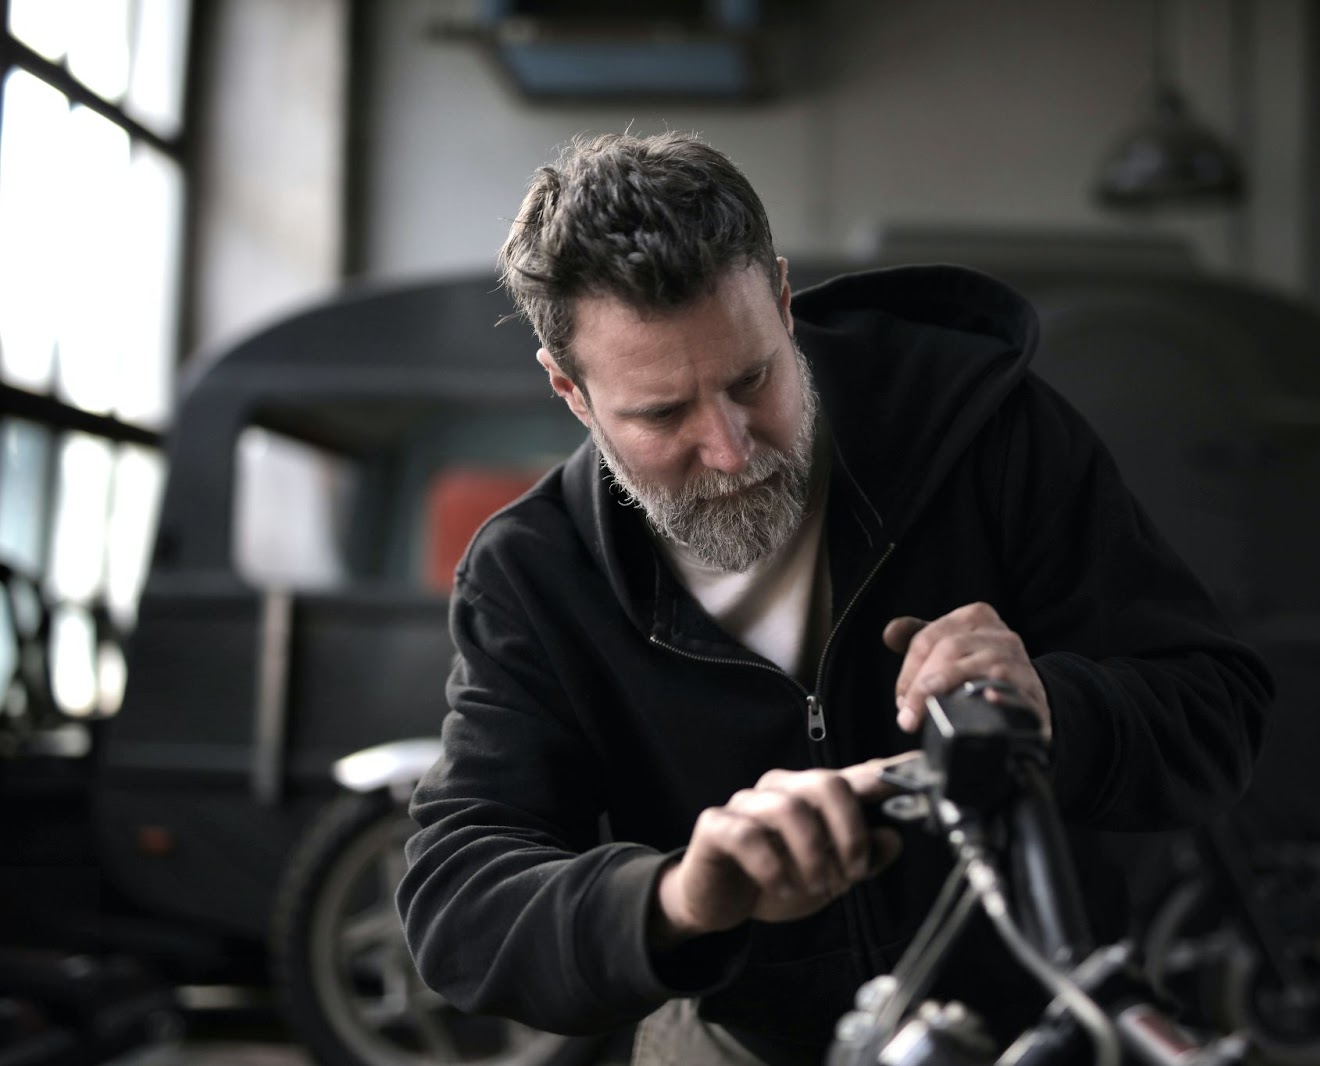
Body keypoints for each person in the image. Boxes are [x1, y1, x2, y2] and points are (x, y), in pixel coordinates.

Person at [397, 131, 1273, 1065]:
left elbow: (1217, 714)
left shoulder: (984, 427)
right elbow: (459, 903)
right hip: (741, 1041)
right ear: (570, 390)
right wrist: (681, 898)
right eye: (661, 415)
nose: (731, 450)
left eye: (752, 379)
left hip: (1038, 1026)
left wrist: (1054, 707)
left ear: (779, 298)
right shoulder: (533, 574)